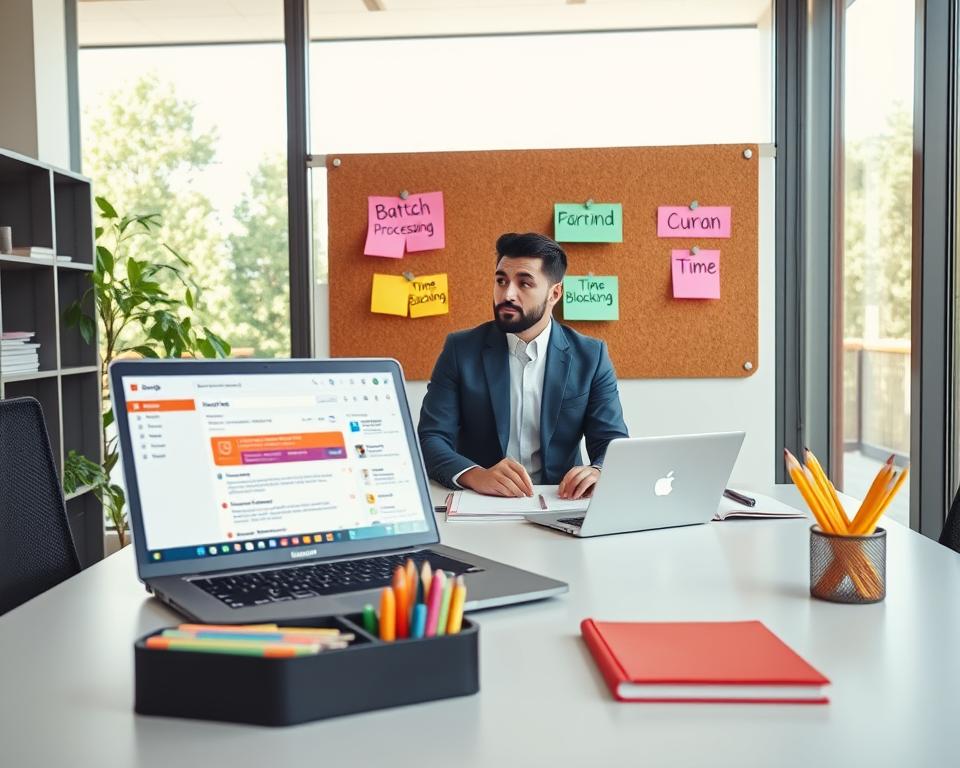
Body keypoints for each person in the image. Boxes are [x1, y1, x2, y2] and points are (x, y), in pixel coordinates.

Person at [418, 232, 629, 500]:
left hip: (558, 502)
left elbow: (612, 443)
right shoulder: (461, 350)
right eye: (501, 281)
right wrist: (476, 475)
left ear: (554, 293)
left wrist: (598, 470)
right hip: (481, 501)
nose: (507, 294)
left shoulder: (591, 356)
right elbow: (430, 439)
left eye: (524, 283)